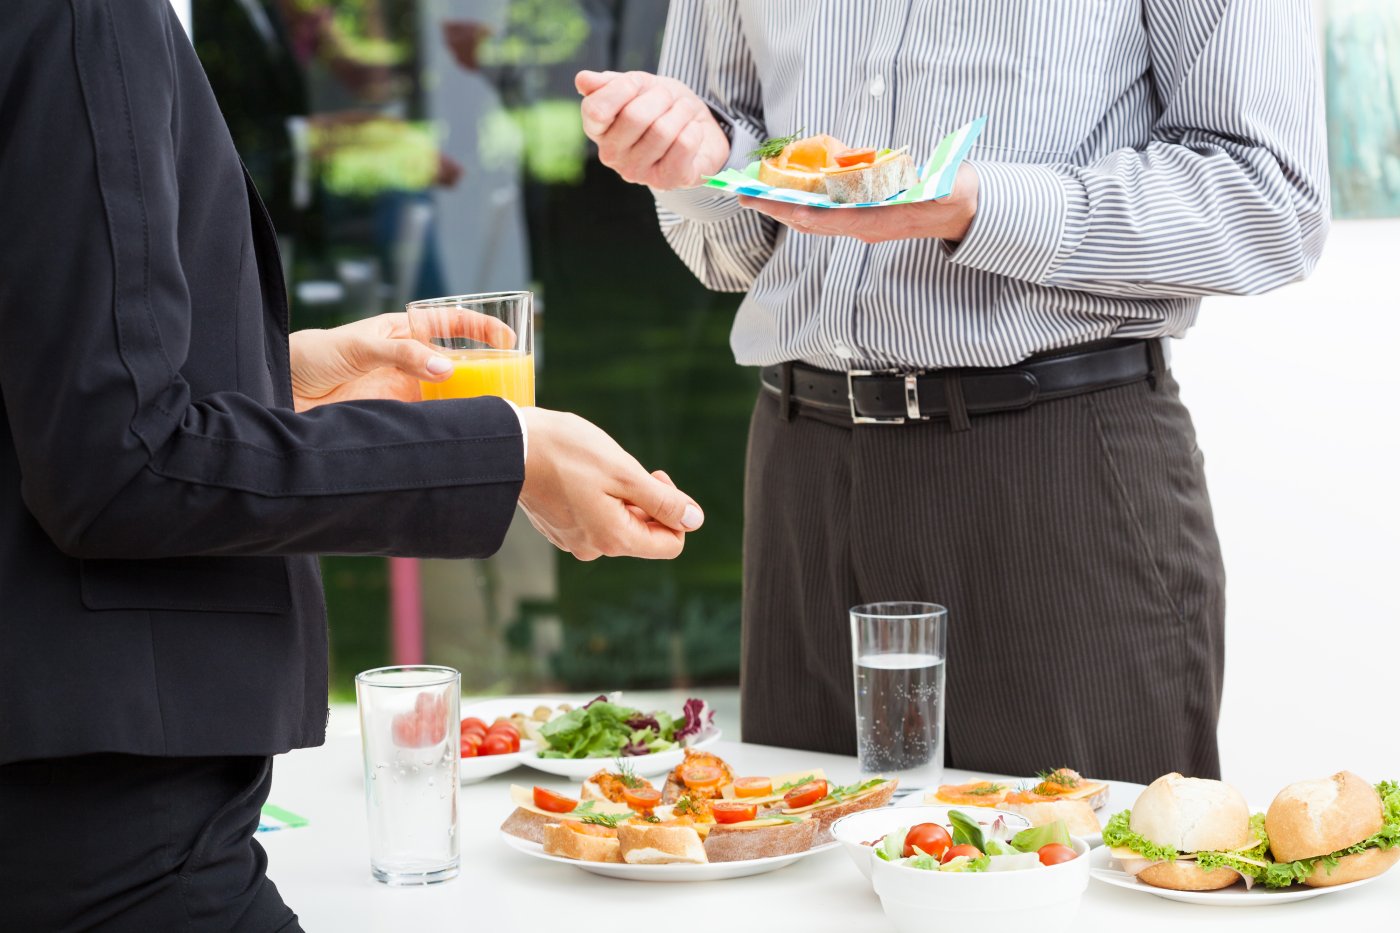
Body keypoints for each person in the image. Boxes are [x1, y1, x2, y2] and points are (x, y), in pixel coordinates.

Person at [0, 1, 702, 929]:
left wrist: (272, 379)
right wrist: (509, 453)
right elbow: (122, 462)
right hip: (109, 826)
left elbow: (56, 389)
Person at [577, 0, 1328, 783]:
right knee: (805, 889)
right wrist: (699, 164)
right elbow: (734, 239)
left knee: (1078, 887)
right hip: (803, 473)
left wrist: (979, 204)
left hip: (1057, 475)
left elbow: (1268, 197)